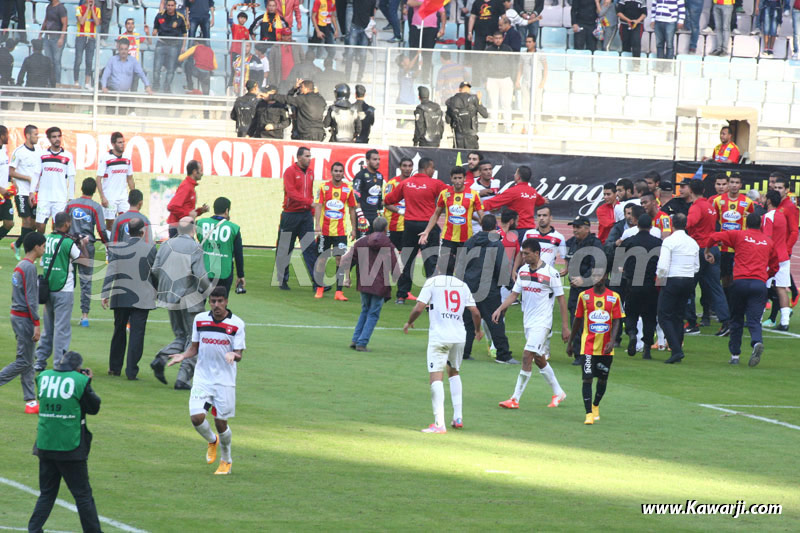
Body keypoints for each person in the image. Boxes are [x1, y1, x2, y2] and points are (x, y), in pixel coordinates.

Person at [167, 286, 246, 475]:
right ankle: (212, 441)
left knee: (221, 423)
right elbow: (194, 348)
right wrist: (183, 356)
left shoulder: (237, 324)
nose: (216, 305)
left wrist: (232, 355)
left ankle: (226, 459)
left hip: (224, 381)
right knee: (196, 417)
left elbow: (240, 354)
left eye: (220, 301)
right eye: (213, 301)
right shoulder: (200, 320)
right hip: (202, 377)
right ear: (209, 302)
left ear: (226, 301)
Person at [28, 351, 102, 532]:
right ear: (77, 368)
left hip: (45, 442)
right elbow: (93, 407)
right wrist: (87, 383)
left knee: (47, 493)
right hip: (70, 445)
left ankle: (34, 529)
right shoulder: (79, 381)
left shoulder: (43, 377)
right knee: (83, 495)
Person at [494, 237, 570, 408]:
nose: (523, 256)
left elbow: (561, 301)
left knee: (527, 355)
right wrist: (500, 309)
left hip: (542, 323)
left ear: (537, 253)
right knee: (539, 358)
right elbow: (514, 295)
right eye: (522, 253)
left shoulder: (551, 273)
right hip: (528, 321)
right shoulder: (523, 271)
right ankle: (558, 392)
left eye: (527, 254)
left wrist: (565, 327)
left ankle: (515, 399)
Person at [403, 271, 483, 433]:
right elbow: (475, 312)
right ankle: (458, 417)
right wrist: (477, 330)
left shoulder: (432, 282)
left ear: (439, 267)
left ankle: (439, 423)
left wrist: (409, 322)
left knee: (435, 376)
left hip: (440, 337)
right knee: (454, 372)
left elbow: (419, 308)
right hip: (459, 337)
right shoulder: (462, 285)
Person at [706, 213, 778, 366]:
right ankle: (757, 341)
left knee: (736, 319)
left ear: (746, 223)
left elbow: (714, 237)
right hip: (759, 284)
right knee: (754, 320)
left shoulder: (739, 235)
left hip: (739, 282)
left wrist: (707, 251)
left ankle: (735, 355)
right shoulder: (768, 242)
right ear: (760, 225)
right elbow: (775, 266)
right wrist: (766, 275)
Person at [151, 217, 209, 389]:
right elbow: (201, 276)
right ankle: (183, 378)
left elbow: (155, 270)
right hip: (189, 298)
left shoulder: (166, 245)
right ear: (193, 230)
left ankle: (161, 358)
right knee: (195, 339)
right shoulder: (195, 247)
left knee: (181, 336)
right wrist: (212, 291)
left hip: (168, 297)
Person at [384, 157, 448, 304]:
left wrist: (403, 210)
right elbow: (451, 194)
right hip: (428, 227)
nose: (434, 171)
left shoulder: (405, 183)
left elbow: (388, 200)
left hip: (410, 226)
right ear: (428, 168)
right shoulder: (435, 183)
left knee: (407, 260)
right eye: (433, 168)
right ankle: (432, 297)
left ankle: (401, 295)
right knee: (430, 261)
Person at [101, 218, 157, 380]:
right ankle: (131, 371)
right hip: (143, 297)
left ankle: (114, 367)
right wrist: (158, 291)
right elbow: (156, 272)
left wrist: (105, 293)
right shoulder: (150, 249)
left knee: (119, 331)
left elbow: (111, 271)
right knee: (137, 334)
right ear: (142, 232)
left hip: (121, 296)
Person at [566, 271, 624, 425]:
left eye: (601, 275)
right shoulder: (584, 296)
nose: (598, 278)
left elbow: (617, 320)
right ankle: (588, 413)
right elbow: (577, 320)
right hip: (588, 347)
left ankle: (596, 405)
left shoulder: (614, 297)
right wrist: (571, 343)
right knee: (587, 378)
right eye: (595, 276)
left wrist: (612, 340)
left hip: (606, 348)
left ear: (606, 277)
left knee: (603, 379)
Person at [35, 212, 88, 372]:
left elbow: (44, 261)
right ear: (66, 224)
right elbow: (85, 261)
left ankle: (40, 360)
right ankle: (59, 363)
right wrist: (83, 244)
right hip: (64, 289)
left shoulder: (47, 240)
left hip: (47, 287)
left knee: (48, 327)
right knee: (61, 329)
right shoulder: (67, 243)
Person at [462, 214, 516, 364]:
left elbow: (461, 266)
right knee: (495, 321)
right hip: (488, 289)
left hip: (469, 288)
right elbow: (501, 267)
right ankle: (503, 355)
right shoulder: (496, 244)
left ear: (481, 225)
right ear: (494, 227)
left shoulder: (469, 242)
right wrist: (511, 287)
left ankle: (464, 352)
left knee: (467, 322)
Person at [0, 232, 45, 414]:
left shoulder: (21, 265)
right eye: (43, 246)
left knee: (28, 358)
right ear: (36, 247)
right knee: (24, 360)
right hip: (24, 317)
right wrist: (36, 322)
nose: (44, 249)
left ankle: (31, 401)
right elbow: (31, 298)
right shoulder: (29, 268)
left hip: (16, 315)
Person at [342, 217, 398, 350]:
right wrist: (397, 278)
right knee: (373, 313)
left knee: (365, 310)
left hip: (364, 282)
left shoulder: (361, 242)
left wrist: (347, 277)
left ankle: (355, 340)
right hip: (379, 283)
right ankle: (362, 342)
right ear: (386, 228)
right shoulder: (387, 243)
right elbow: (394, 264)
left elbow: (346, 260)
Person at [418, 167, 484, 274]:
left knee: (463, 270)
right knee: (446, 268)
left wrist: (488, 231)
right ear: (451, 179)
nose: (457, 181)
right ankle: (446, 290)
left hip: (466, 239)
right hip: (448, 238)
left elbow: (482, 215)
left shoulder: (473, 194)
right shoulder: (445, 194)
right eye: (455, 178)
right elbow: (436, 214)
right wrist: (427, 231)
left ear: (464, 179)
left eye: (460, 178)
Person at [685, 178, 730, 334]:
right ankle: (726, 322)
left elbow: (689, 223)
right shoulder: (709, 206)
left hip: (700, 250)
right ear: (704, 191)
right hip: (713, 248)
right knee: (716, 288)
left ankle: (691, 323)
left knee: (688, 286)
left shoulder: (696, 207)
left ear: (691, 190)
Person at [275, 147, 323, 292]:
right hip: (290, 215)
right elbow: (291, 193)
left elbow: (309, 194)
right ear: (299, 157)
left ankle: (318, 283)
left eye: (310, 156)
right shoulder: (290, 171)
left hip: (305, 215)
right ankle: (282, 280)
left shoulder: (310, 173)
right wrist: (310, 203)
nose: (310, 158)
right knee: (285, 248)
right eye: (307, 156)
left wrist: (312, 210)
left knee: (310, 248)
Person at [656, 213, 699, 364]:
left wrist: (660, 277)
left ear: (672, 224)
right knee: (679, 316)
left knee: (664, 315)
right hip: (688, 279)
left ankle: (676, 349)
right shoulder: (693, 242)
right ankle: (677, 347)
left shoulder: (669, 241)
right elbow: (696, 266)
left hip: (673, 279)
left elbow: (662, 265)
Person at [65, 178, 108, 328]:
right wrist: (107, 244)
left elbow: (60, 223)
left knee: (67, 279)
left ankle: (65, 313)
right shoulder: (95, 207)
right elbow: (102, 229)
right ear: (95, 190)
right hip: (86, 247)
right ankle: (84, 316)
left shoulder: (70, 204)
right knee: (86, 281)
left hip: (69, 245)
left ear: (81, 188)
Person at [563, 215, 604, 364]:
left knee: (589, 322)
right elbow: (568, 257)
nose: (574, 230)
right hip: (575, 290)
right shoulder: (572, 242)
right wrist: (567, 269)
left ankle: (588, 354)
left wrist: (583, 279)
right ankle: (579, 353)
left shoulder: (595, 244)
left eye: (578, 227)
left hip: (589, 290)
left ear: (587, 228)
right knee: (575, 319)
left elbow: (598, 267)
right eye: (574, 227)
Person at [620, 213, 661, 359]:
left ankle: (632, 333)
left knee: (631, 313)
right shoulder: (658, 243)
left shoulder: (630, 241)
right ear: (651, 226)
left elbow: (618, 260)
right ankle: (647, 350)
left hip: (633, 284)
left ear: (637, 226)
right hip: (651, 285)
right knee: (649, 317)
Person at [314, 162, 356, 300]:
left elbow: (351, 209)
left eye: (340, 171)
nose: (338, 173)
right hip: (325, 231)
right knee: (322, 259)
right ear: (331, 172)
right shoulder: (324, 187)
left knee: (340, 260)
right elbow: (319, 205)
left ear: (343, 173)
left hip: (340, 232)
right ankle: (319, 288)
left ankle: (339, 292)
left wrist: (354, 229)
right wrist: (317, 226)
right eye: (335, 171)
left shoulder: (348, 189)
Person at [712, 174, 753, 308]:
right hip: (723, 247)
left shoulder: (747, 202)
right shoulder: (718, 201)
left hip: (740, 248)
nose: (734, 185)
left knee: (737, 279)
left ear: (741, 185)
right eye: (732, 182)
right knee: (723, 278)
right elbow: (713, 223)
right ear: (728, 184)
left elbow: (753, 223)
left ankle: (735, 306)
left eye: (737, 183)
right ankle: (724, 306)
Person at [197, 197, 245, 296]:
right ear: (227, 210)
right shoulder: (233, 228)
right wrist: (240, 275)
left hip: (204, 271)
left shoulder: (201, 223)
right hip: (224, 272)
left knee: (198, 305)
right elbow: (238, 254)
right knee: (219, 304)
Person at [482, 166, 547, 238]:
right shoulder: (533, 191)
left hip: (517, 230)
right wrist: (544, 200)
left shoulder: (513, 191)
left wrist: (475, 205)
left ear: (518, 177)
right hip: (531, 230)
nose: (514, 175)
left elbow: (492, 202)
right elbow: (540, 201)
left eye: (516, 173)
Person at [32, 127, 76, 233]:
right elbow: (36, 174)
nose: (57, 139)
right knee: (40, 226)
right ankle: (41, 247)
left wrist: (71, 197)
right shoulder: (42, 155)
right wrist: (31, 192)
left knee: (58, 227)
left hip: (60, 198)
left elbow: (71, 177)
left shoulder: (68, 156)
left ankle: (54, 248)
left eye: (59, 136)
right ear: (49, 139)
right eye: (54, 137)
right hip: (44, 197)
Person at [9, 125, 41, 259]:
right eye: (35, 134)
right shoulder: (19, 152)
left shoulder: (39, 151)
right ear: (27, 135)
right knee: (27, 222)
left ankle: (16, 244)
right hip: (22, 192)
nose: (37, 137)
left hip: (34, 193)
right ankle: (28, 253)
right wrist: (27, 178)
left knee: (34, 225)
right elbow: (11, 172)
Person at [762, 189, 791, 330]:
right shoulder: (781, 216)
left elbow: (767, 239)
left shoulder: (768, 216)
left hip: (772, 257)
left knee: (763, 288)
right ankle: (785, 322)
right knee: (781, 289)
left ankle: (757, 318)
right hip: (784, 256)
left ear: (768, 201)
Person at [96, 132, 136, 230]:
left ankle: (123, 243)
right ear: (113, 144)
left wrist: (133, 194)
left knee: (127, 221)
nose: (122, 144)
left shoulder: (127, 158)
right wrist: (103, 197)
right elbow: (98, 179)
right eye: (119, 142)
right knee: (110, 223)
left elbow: (130, 178)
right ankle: (109, 245)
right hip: (110, 197)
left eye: (123, 142)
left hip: (123, 197)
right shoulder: (106, 158)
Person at [152, 0, 188, 93]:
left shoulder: (180, 17)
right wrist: (154, 32)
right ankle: (155, 86)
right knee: (156, 68)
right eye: (168, 5)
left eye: (172, 5)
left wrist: (183, 46)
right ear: (166, 6)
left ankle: (166, 88)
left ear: (175, 6)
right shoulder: (159, 15)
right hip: (161, 43)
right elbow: (155, 28)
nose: (170, 7)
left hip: (174, 45)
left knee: (171, 69)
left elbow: (184, 33)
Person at [166, 160, 209, 237]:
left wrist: (200, 211)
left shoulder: (190, 186)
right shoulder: (186, 186)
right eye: (201, 170)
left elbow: (187, 210)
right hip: (179, 228)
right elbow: (171, 206)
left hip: (182, 227)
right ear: (195, 171)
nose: (202, 173)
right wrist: (188, 214)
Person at [445, 82, 488, 149]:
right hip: (471, 136)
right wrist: (479, 100)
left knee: (458, 157)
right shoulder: (474, 99)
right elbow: (485, 114)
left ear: (459, 89)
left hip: (458, 136)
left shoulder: (451, 100)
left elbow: (448, 120)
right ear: (468, 89)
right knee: (471, 157)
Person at [352, 149, 384, 237]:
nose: (377, 162)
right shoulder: (360, 175)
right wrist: (361, 216)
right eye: (374, 159)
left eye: (378, 159)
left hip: (375, 216)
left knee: (375, 245)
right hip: (363, 215)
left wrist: (381, 214)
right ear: (367, 161)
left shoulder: (380, 176)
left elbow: (379, 196)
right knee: (363, 247)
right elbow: (355, 197)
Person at [383, 157, 412, 252]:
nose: (407, 168)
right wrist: (400, 211)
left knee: (405, 255)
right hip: (392, 225)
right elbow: (385, 202)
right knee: (390, 255)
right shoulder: (392, 183)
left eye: (410, 166)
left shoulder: (414, 184)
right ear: (400, 167)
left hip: (408, 226)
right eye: (404, 166)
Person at [16, 39, 55, 109]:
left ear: (33, 48)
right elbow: (52, 77)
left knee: (27, 111)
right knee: (45, 112)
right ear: (42, 48)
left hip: (30, 88)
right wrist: (52, 88)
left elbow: (21, 75)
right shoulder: (47, 60)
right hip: (43, 88)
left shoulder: (28, 59)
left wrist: (19, 85)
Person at [74, 0, 101, 89]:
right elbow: (81, 22)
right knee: (78, 60)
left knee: (89, 61)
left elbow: (97, 23)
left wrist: (92, 9)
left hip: (91, 38)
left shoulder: (97, 10)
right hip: (81, 37)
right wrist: (87, 10)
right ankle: (76, 82)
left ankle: (87, 83)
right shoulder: (78, 8)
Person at [40, 0, 68, 85]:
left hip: (57, 37)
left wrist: (61, 38)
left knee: (56, 61)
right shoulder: (49, 6)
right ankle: (49, 82)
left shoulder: (61, 8)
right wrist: (40, 34)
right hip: (48, 36)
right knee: (49, 61)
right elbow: (46, 21)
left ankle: (57, 83)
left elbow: (65, 24)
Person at [0, 125, 13, 241]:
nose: (8, 137)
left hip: (5, 195)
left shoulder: (3, 151)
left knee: (9, 223)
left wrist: (13, 181)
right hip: (1, 192)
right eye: (6, 134)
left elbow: (4, 171)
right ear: (2, 136)